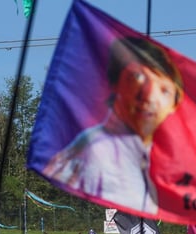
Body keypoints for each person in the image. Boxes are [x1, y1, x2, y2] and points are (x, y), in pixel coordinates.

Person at [42, 35, 183, 217]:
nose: (150, 100)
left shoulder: (157, 153)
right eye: (137, 83)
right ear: (115, 88)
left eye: (164, 91)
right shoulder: (94, 150)